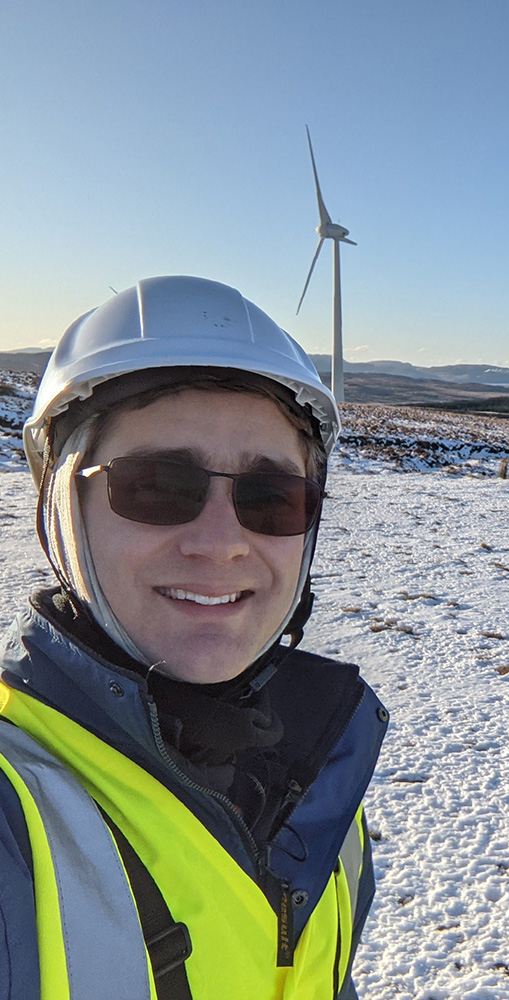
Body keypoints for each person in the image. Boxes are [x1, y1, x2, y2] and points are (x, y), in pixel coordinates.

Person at [0, 276, 388, 999]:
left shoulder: (323, 789)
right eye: (155, 485)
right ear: (58, 501)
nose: (221, 543)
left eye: (271, 497)